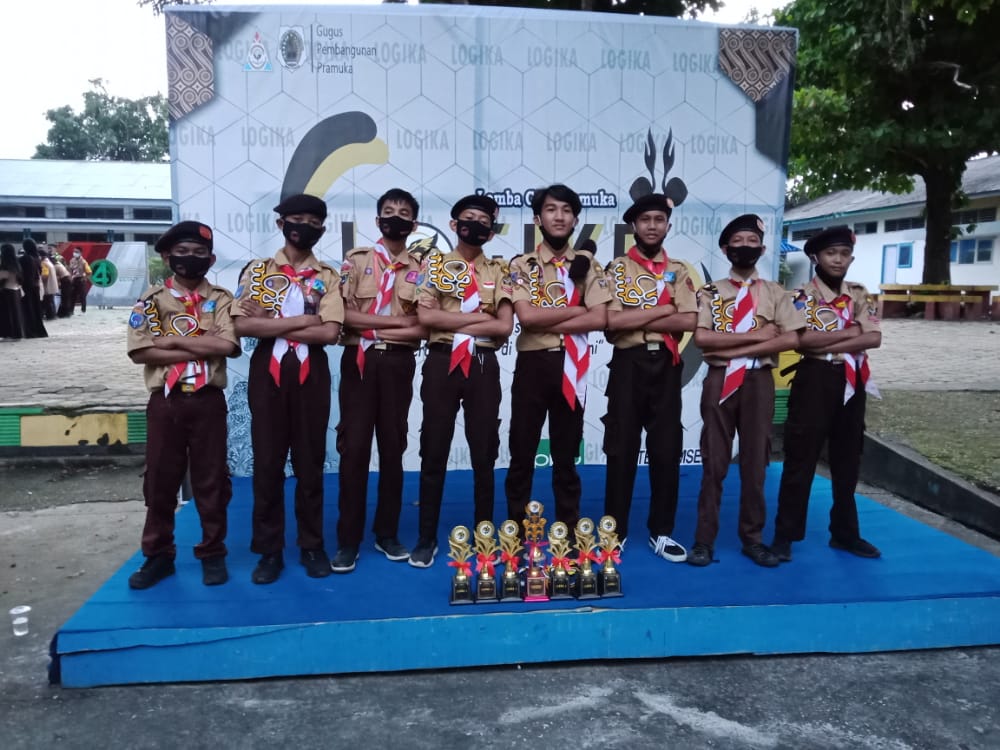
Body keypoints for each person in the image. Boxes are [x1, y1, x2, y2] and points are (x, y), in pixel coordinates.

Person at [233, 194, 344, 584]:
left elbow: (330, 333)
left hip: (311, 372)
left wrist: (273, 320)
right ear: (281, 224)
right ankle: (269, 550)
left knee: (310, 462)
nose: (304, 227)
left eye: (313, 222)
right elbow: (242, 326)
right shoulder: (258, 272)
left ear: (322, 230)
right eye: (296, 220)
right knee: (267, 462)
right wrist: (304, 321)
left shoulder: (329, 276)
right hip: (268, 372)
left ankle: (312, 545)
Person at [125, 221, 241, 589]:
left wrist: (172, 341)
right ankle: (158, 555)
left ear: (211, 259)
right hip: (166, 401)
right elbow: (141, 351)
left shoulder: (222, 299)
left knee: (211, 479)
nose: (191, 258)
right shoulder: (151, 301)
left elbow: (227, 346)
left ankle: (212, 552)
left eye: (199, 252)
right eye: (183, 252)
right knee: (160, 479)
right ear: (167, 257)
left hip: (208, 400)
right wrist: (201, 341)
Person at [689, 214, 804, 568]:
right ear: (726, 250)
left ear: (763, 249)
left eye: (752, 241)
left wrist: (737, 345)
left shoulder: (776, 292)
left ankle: (752, 539)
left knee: (755, 464)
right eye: (737, 241)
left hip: (758, 381)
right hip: (720, 379)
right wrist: (758, 336)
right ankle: (703, 541)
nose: (745, 247)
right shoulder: (710, 293)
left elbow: (792, 338)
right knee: (714, 462)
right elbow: (703, 339)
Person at [408, 193, 514, 568]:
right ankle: (426, 538)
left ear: (491, 231)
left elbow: (504, 326)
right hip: (442, 363)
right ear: (454, 225)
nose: (476, 225)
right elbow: (427, 319)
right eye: (469, 218)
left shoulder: (500, 270)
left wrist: (455, 320)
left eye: (484, 221)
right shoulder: (434, 265)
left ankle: (485, 537)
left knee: (484, 453)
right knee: (433, 449)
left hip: (483, 364)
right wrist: (480, 320)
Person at [771, 226, 883, 561]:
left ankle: (845, 534)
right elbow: (802, 341)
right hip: (814, 378)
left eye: (844, 253)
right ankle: (785, 536)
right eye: (830, 253)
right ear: (815, 257)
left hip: (852, 380)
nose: (838, 260)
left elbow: (873, 338)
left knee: (848, 459)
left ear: (851, 258)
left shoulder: (860, 294)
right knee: (800, 458)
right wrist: (850, 332)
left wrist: (831, 338)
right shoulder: (800, 297)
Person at [504, 184, 610, 537]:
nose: (559, 216)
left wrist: (549, 317)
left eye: (566, 210)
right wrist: (577, 311)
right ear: (538, 219)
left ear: (575, 219)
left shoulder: (589, 266)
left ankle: (569, 527)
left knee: (566, 455)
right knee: (522, 451)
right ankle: (517, 529)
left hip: (572, 364)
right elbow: (527, 317)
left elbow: (600, 318)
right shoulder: (522, 265)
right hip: (533, 365)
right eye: (551, 210)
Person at [333, 188, 427, 573]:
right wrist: (393, 324)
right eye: (389, 211)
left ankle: (386, 533)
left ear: (414, 225)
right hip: (359, 361)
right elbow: (344, 316)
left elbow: (422, 327)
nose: (396, 217)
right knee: (354, 449)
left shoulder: (422, 268)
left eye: (404, 213)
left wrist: (372, 325)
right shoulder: (355, 261)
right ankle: (347, 540)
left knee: (393, 447)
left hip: (398, 364)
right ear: (377, 220)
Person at [603, 193, 697, 562]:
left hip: (667, 366)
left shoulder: (679, 271)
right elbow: (613, 322)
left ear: (668, 226)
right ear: (634, 226)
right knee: (621, 448)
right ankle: (615, 533)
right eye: (645, 220)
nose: (652, 226)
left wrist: (640, 315)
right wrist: (664, 311)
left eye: (659, 219)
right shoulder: (617, 270)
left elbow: (689, 319)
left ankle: (661, 531)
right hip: (628, 364)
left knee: (666, 449)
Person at [18, 239, 47, 338]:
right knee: (36, 309)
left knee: (28, 309)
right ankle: (39, 331)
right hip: (36, 286)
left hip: (27, 286)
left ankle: (30, 332)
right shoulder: (37, 258)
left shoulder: (25, 258)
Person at [0, 243, 25, 340]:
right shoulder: (17, 264)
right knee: (16, 314)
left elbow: (2, 277)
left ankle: (8, 334)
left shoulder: (5, 265)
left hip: (6, 291)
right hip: (16, 290)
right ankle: (17, 333)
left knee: (7, 314)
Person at [68, 247, 92, 314]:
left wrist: (84, 278)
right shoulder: (72, 260)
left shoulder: (83, 262)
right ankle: (71, 311)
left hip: (81, 280)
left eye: (77, 252)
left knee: (82, 296)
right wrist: (70, 277)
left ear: (80, 253)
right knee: (72, 296)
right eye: (74, 251)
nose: (75, 253)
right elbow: (70, 269)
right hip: (74, 279)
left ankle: (83, 310)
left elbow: (89, 272)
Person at [39, 248, 58, 321]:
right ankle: (53, 315)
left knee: (47, 301)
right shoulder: (49, 262)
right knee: (51, 301)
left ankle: (50, 316)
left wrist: (39, 279)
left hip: (47, 286)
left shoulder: (44, 263)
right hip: (52, 285)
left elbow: (45, 275)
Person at [53, 253, 73, 318]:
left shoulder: (55, 266)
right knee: (66, 297)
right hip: (67, 280)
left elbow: (56, 277)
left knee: (65, 297)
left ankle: (66, 313)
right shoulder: (60, 264)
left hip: (65, 281)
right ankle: (66, 312)